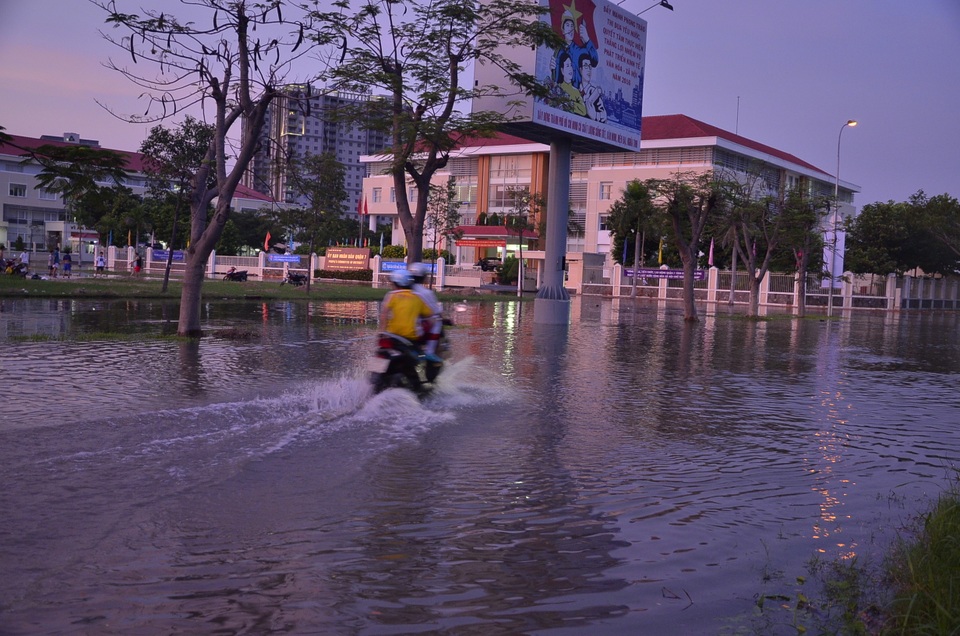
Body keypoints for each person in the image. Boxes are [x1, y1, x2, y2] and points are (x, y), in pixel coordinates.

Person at [409, 262, 444, 362]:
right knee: (437, 321)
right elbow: (435, 312)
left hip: (399, 327)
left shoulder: (401, 292)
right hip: (417, 328)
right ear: (423, 277)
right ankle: (430, 351)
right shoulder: (426, 293)